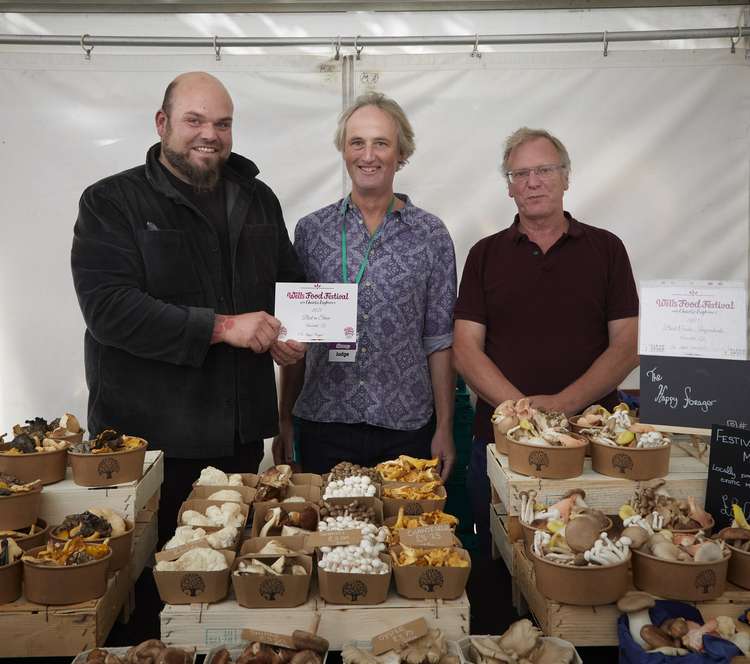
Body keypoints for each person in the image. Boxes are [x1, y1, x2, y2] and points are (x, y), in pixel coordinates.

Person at [71, 71, 305, 544]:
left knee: (227, 573)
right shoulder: (111, 202)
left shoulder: (258, 198)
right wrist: (223, 327)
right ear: (162, 123)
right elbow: (109, 310)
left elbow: (290, 286)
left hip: (239, 438)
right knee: (150, 578)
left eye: (222, 123)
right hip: (150, 444)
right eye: (194, 120)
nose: (210, 135)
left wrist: (293, 332)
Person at [453, 127, 639, 553]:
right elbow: (465, 349)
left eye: (544, 170)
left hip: (595, 445)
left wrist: (560, 409)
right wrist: (524, 418)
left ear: (567, 177)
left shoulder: (607, 249)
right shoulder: (484, 255)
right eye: (520, 174)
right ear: (509, 188)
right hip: (502, 444)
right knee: (501, 558)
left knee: (592, 554)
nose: (532, 182)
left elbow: (626, 346)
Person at [273, 92, 457, 481]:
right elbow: (296, 336)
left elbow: (439, 340)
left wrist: (444, 427)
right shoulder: (311, 231)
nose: (368, 155)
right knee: (328, 535)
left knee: (403, 534)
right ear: (344, 149)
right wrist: (284, 419)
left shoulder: (431, 235)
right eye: (357, 142)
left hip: (407, 425)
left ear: (401, 153)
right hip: (325, 422)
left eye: (381, 143)